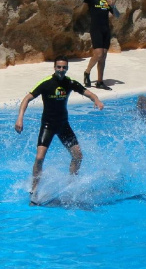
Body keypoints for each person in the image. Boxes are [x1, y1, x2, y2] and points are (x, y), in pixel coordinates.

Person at [15, 55, 104, 204]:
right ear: (54, 68)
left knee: (78, 156)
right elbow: (27, 98)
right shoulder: (46, 83)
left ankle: (71, 184)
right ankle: (34, 188)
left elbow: (88, 92)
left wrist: (97, 100)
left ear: (67, 68)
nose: (61, 70)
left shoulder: (69, 83)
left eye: (64, 67)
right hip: (48, 125)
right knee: (39, 157)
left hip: (63, 125)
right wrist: (20, 118)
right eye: (59, 67)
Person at [72, 0, 120, 90]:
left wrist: (113, 6)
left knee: (103, 56)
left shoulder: (107, 1)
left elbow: (117, 16)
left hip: (106, 30)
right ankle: (87, 72)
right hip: (96, 29)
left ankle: (100, 81)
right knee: (98, 54)